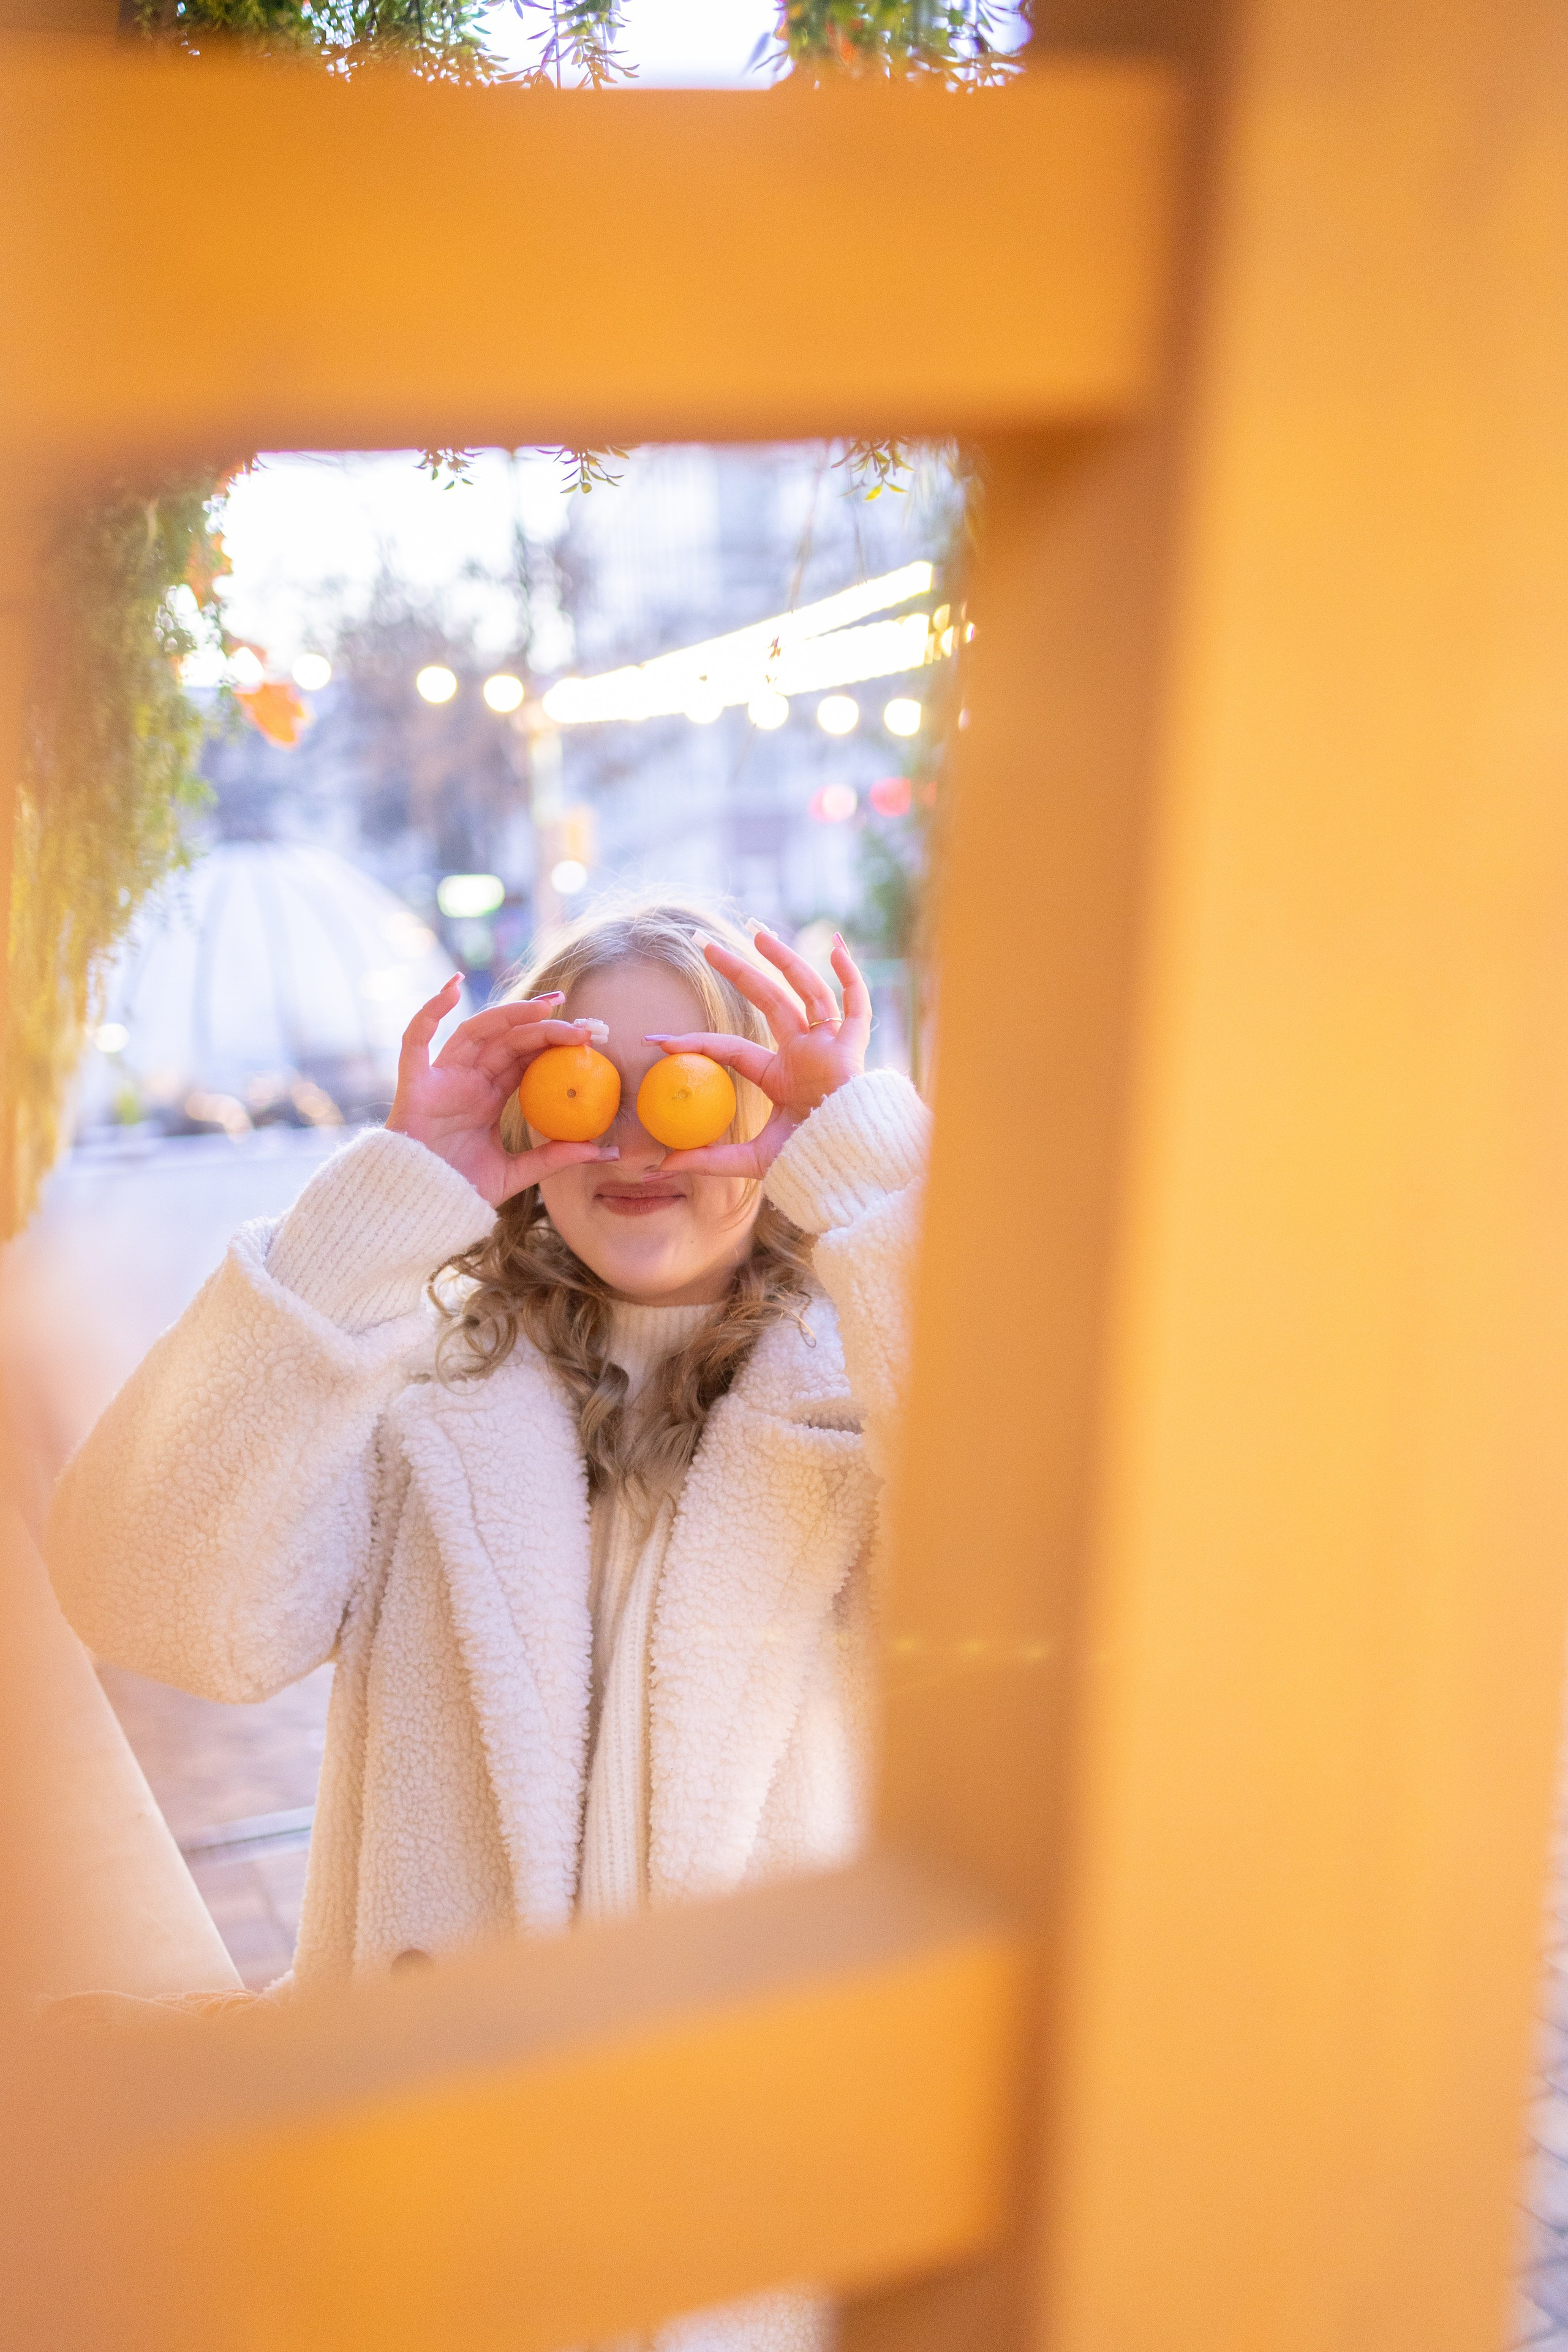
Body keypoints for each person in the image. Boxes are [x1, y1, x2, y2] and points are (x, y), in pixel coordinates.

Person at [47, 898, 931, 2352]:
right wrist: (384, 1209)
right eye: (589, 1083)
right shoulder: (412, 1394)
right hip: (427, 2214)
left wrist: (880, 1186)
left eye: (695, 1081)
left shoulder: (871, 1413)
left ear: (776, 1113)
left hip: (749, 2233)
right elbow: (149, 1596)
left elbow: (1055, 1562)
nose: (641, 1140)